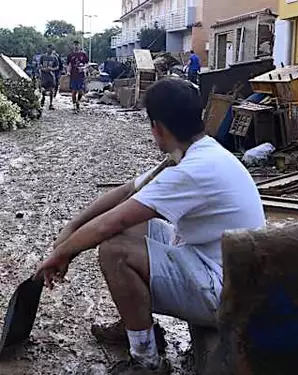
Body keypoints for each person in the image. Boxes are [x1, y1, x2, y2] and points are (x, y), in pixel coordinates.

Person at [34, 78, 266, 374]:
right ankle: (138, 325)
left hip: (225, 294)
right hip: (220, 267)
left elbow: (113, 221)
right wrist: (72, 226)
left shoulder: (193, 170)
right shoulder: (199, 153)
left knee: (115, 251)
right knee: (132, 229)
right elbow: (125, 192)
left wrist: (63, 253)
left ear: (157, 127)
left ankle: (147, 361)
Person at [67, 40, 89, 113]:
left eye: (77, 45)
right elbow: (69, 65)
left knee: (81, 91)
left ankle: (78, 101)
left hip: (81, 75)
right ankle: (74, 106)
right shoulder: (70, 55)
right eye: (75, 45)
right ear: (73, 46)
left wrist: (84, 69)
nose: (76, 46)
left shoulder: (83, 55)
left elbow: (87, 64)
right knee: (74, 91)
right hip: (73, 75)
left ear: (79, 46)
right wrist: (68, 72)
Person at [39, 45, 59, 110]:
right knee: (43, 89)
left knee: (51, 90)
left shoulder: (54, 57)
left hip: (51, 75)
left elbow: (57, 67)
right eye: (49, 48)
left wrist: (52, 69)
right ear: (47, 49)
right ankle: (43, 97)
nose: (50, 50)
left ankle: (51, 104)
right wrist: (42, 68)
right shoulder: (43, 56)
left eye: (51, 49)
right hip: (44, 75)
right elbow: (39, 64)